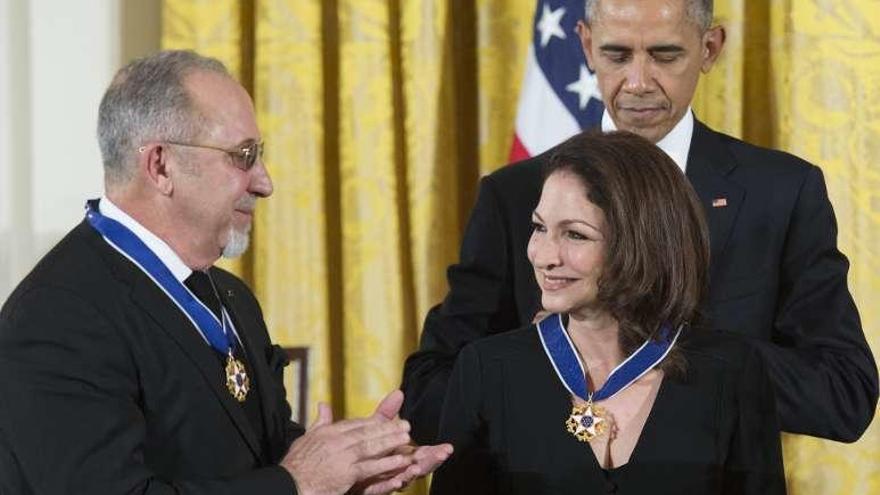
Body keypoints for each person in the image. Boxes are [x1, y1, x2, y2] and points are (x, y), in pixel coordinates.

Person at [402, 0, 877, 445]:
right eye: (617, 54)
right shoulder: (516, 194)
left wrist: (663, 346)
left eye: (665, 56)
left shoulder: (782, 192)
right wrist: (551, 363)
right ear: (586, 46)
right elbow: (426, 393)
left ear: (709, 49)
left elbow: (843, 395)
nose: (637, 82)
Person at [0, 50, 451, 495]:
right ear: (161, 165)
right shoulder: (57, 318)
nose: (264, 182)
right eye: (242, 155)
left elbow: (254, 454)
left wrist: (350, 470)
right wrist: (300, 483)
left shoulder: (230, 295)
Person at [430, 131, 785, 494]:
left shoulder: (731, 370)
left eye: (575, 235)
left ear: (641, 242)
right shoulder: (486, 369)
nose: (544, 256)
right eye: (539, 228)